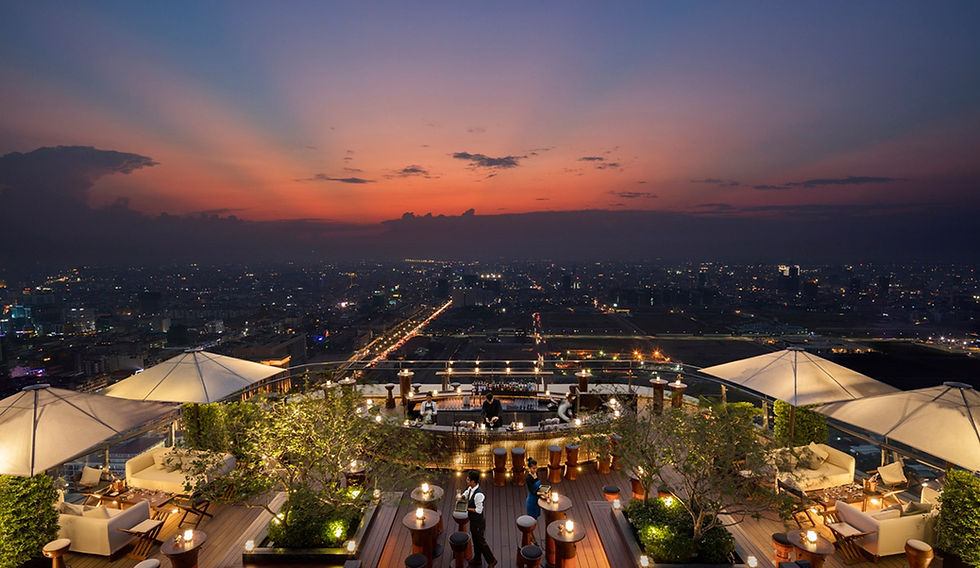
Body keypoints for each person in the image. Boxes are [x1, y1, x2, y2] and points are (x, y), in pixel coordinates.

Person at [463, 470, 497, 567]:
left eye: (468, 480)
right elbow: (467, 492)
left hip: (478, 522)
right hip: (473, 521)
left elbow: (479, 510)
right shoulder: (471, 488)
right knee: (475, 540)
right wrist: (462, 496)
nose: (466, 480)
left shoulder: (478, 495)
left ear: (473, 481)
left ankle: (492, 560)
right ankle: (477, 559)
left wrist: (466, 508)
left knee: (481, 542)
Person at [525, 458, 542, 522]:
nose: (535, 470)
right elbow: (533, 492)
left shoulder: (536, 473)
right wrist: (542, 493)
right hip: (532, 500)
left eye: (536, 468)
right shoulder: (528, 478)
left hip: (537, 498)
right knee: (532, 519)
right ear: (529, 468)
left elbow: (538, 484)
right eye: (533, 468)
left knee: (536, 516)